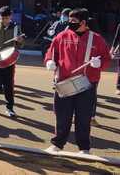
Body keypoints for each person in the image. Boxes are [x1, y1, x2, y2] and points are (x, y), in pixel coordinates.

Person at [44, 8, 111, 154]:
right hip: (64, 82)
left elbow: (106, 59)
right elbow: (51, 53)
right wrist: (50, 61)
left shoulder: (96, 39)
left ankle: (84, 148)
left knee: (83, 117)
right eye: (69, 20)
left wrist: (99, 64)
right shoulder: (62, 36)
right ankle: (57, 144)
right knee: (62, 115)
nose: (70, 23)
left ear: (84, 22)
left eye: (74, 21)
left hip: (87, 84)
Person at [0, 6, 24, 117]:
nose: (5, 20)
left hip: (9, 61)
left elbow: (20, 44)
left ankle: (9, 108)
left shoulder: (16, 27)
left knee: (8, 85)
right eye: (3, 18)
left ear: (10, 17)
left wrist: (20, 41)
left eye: (7, 18)